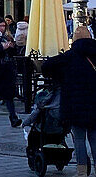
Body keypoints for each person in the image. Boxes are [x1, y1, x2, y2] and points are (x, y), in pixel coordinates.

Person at [42, 24, 96, 177]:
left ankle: (82, 171)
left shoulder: (69, 57)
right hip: (94, 104)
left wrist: (60, 77)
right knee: (94, 139)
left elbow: (47, 66)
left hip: (75, 105)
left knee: (79, 139)